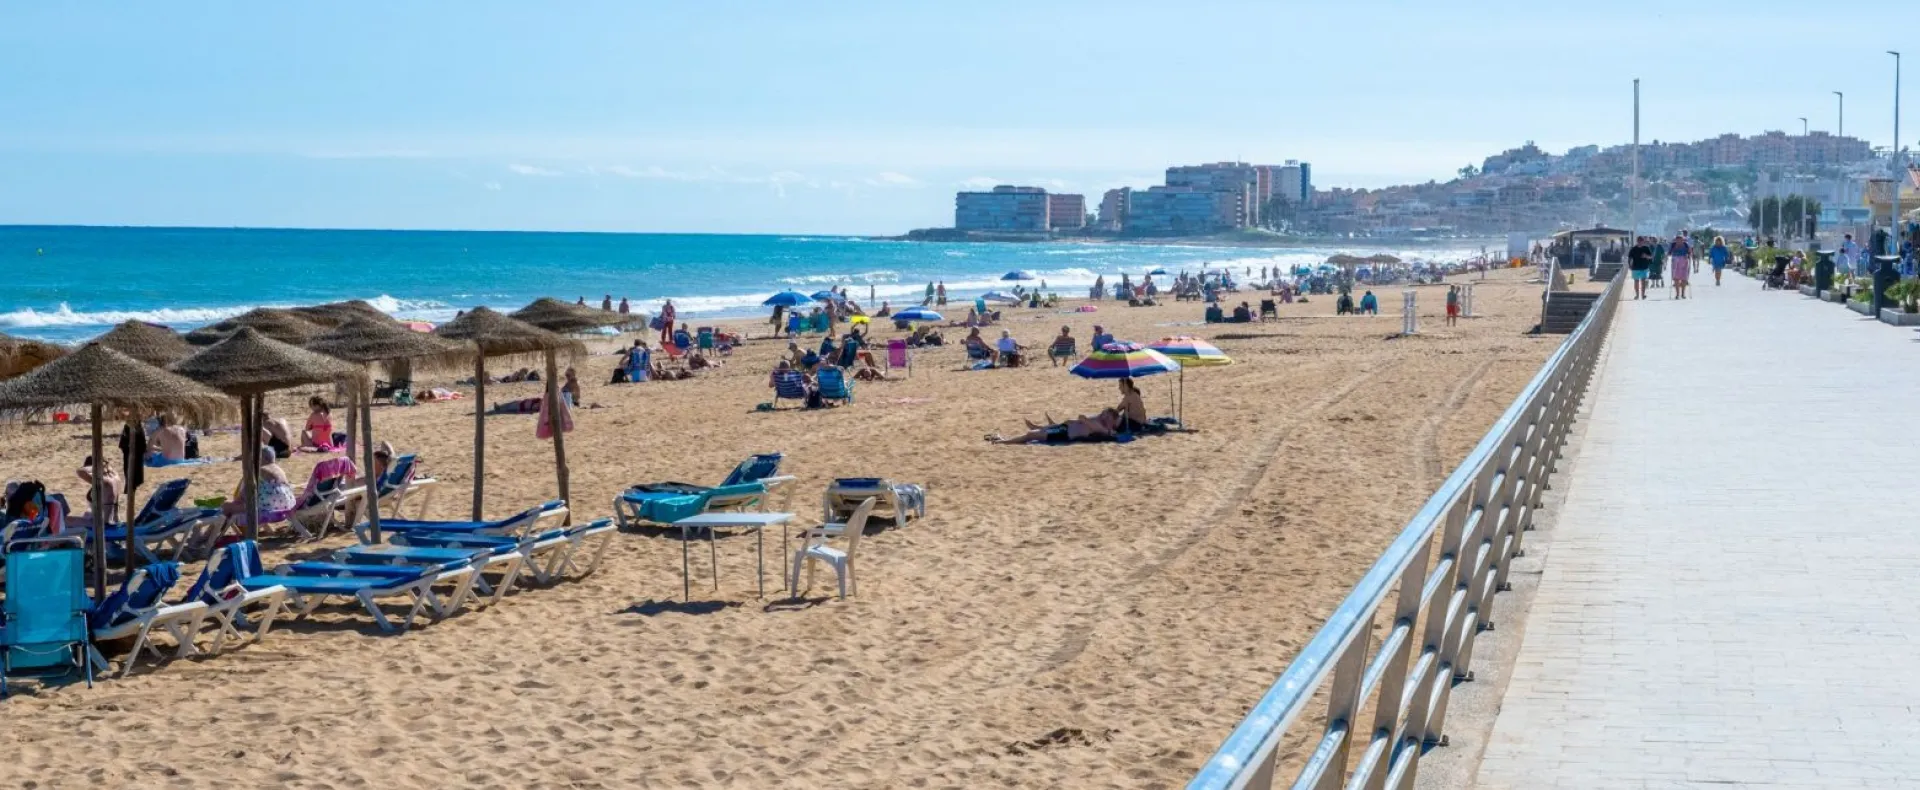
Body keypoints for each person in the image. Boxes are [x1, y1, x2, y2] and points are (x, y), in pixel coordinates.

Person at [988, 409, 1120, 444]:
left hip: (1064, 434)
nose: (1103, 415)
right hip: (1064, 429)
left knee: (1031, 435)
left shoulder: (1103, 429)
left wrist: (1085, 419)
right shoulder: (1100, 422)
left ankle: (1003, 442)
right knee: (1038, 431)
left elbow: (1084, 420)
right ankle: (1039, 426)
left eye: (1106, 415)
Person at [76, 454, 122, 522]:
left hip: (103, 525)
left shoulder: (105, 481)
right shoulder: (116, 477)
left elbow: (80, 471)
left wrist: (97, 466)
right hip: (115, 521)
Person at [1669, 234, 1691, 299]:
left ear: (1683, 240)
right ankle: (1677, 294)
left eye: (1680, 240)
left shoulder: (1686, 245)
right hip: (1675, 263)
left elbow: (1690, 252)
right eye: (1677, 240)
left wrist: (1688, 255)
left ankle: (1683, 294)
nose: (1678, 241)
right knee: (1676, 278)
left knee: (1684, 278)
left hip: (1684, 262)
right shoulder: (1673, 245)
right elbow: (1669, 253)